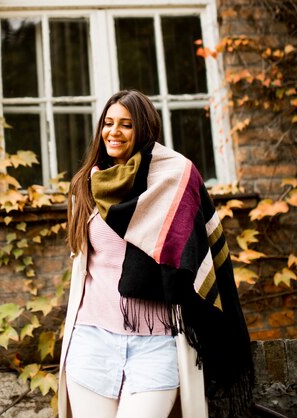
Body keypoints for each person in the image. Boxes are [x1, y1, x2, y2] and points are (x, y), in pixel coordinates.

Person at [58, 89, 253, 418]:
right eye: (108, 123)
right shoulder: (87, 187)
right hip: (92, 340)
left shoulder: (174, 180)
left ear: (144, 130)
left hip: (156, 343)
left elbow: (195, 253)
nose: (114, 132)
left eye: (126, 125)